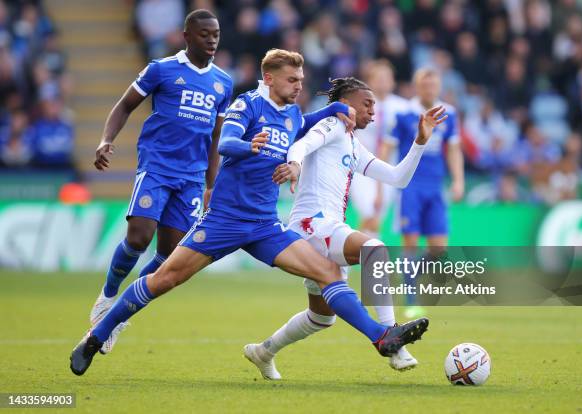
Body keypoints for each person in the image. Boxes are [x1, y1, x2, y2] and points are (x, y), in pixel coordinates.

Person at [70, 49, 429, 377]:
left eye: (301, 81)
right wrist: (249, 146)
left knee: (328, 271)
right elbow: (225, 143)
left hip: (264, 226)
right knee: (165, 279)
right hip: (224, 221)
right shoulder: (248, 105)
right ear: (269, 78)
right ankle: (96, 336)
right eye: (292, 80)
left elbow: (305, 127)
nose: (298, 86)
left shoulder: (290, 114)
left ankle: (381, 337)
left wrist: (333, 109)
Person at [243, 77, 447, 380]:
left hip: (322, 229)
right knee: (374, 250)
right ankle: (393, 341)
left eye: (375, 106)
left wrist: (419, 142)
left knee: (321, 318)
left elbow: (396, 178)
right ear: (347, 104)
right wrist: (295, 165)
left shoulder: (352, 142)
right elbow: (301, 145)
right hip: (313, 224)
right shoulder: (332, 126)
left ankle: (264, 351)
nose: (373, 112)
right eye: (367, 104)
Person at [89, 10, 233, 354]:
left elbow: (216, 136)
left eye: (215, 34)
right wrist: (105, 140)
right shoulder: (161, 69)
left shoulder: (223, 83)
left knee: (168, 255)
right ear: (186, 35)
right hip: (157, 166)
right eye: (204, 34)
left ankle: (121, 313)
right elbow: (124, 106)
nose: (211, 39)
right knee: (138, 238)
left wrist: (211, 184)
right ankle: (108, 297)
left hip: (192, 177)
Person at [390, 68, 464, 318]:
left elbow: (454, 150)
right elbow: (388, 147)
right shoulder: (404, 114)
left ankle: (407, 276)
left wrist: (458, 180)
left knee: (439, 248)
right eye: (424, 84)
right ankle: (411, 298)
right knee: (410, 243)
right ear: (417, 86)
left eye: (433, 84)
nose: (429, 88)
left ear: (439, 86)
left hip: (435, 186)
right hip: (410, 186)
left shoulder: (449, 114)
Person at [349, 60, 410, 238]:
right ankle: (362, 257)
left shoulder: (403, 108)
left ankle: (365, 258)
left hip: (388, 167)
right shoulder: (357, 105)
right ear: (370, 82)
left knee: (377, 216)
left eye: (386, 78)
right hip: (361, 165)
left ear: (393, 82)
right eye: (378, 78)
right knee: (368, 209)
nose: (383, 82)